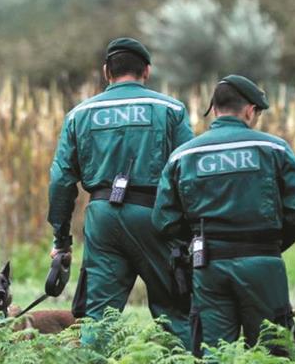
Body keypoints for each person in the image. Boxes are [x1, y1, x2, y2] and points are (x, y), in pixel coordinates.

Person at [151, 75, 295, 359]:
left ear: (214, 109)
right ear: (250, 111)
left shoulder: (183, 155)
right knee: (274, 352)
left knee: (214, 356)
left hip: (209, 266)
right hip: (262, 263)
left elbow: (164, 220)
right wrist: (271, 245)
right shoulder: (274, 148)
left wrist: (197, 243)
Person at [47, 37, 194, 348]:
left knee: (97, 318)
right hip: (156, 217)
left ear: (106, 72)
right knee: (176, 311)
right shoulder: (170, 109)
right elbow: (189, 174)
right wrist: (193, 233)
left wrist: (61, 241)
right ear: (147, 71)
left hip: (102, 219)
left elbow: (61, 180)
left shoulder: (79, 115)